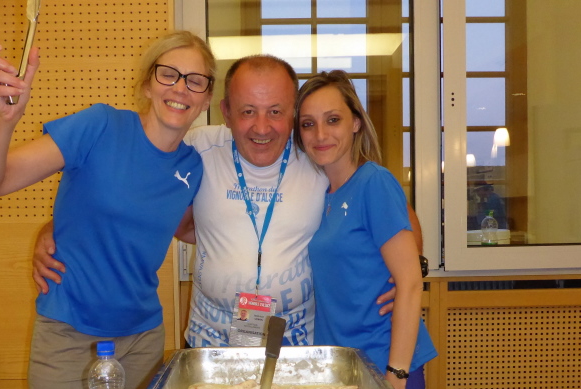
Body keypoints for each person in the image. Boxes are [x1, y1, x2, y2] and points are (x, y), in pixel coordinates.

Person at [33, 55, 424, 350]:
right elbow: (132, 188)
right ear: (225, 112)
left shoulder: (315, 153)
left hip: (296, 345)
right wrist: (61, 227)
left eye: (276, 112)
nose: (261, 127)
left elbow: (394, 212)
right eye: (247, 112)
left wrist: (409, 271)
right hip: (209, 342)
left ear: (292, 113)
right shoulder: (198, 149)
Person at [0, 31, 216, 389]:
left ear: (206, 99)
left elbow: (188, 228)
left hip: (142, 342)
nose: (180, 88)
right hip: (68, 336)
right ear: (147, 84)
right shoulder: (100, 126)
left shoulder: (192, 167)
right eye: (168, 74)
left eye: (195, 80)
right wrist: (5, 121)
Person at [295, 70, 437, 389]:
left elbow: (410, 282)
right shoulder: (321, 193)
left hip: (384, 363)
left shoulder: (374, 182)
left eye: (333, 120)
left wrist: (397, 376)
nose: (320, 134)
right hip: (340, 365)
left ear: (356, 122)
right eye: (308, 124)